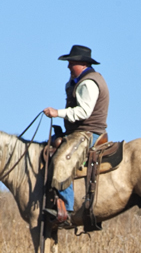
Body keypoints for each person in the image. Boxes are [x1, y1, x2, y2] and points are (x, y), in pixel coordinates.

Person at [43, 44, 109, 227]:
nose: (68, 67)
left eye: (71, 63)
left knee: (61, 160)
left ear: (81, 63)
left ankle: (66, 210)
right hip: (79, 131)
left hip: (88, 132)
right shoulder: (78, 82)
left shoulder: (88, 83)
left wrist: (58, 113)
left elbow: (84, 112)